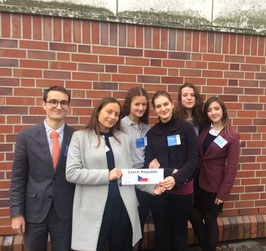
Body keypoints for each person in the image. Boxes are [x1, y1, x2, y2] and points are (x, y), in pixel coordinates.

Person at [66, 97, 162, 251]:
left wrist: (151, 187)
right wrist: (106, 175)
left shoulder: (123, 139)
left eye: (116, 114)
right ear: (98, 112)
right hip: (94, 209)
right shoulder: (80, 137)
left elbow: (128, 173)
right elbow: (71, 173)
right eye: (108, 112)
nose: (112, 117)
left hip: (122, 207)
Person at [10, 86, 75, 251]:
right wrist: (17, 213)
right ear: (44, 104)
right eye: (53, 101)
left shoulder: (76, 137)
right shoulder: (26, 136)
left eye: (63, 103)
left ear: (68, 106)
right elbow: (18, 177)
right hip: (34, 212)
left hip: (65, 211)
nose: (58, 106)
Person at [144, 91, 198, 251]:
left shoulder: (186, 128)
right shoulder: (152, 134)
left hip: (182, 190)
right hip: (160, 190)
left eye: (166, 104)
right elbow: (148, 162)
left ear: (172, 104)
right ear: (155, 109)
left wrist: (176, 177)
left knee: (179, 234)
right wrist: (169, 171)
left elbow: (193, 159)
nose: (163, 108)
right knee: (162, 234)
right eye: (158, 106)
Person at [190, 97, 240, 251]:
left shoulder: (231, 135)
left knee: (210, 220)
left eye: (216, 109)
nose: (213, 113)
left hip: (214, 186)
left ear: (223, 110)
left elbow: (232, 168)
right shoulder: (205, 130)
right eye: (210, 110)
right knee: (194, 217)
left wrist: (223, 193)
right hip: (197, 182)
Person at [120, 87, 152, 251]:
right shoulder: (120, 126)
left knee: (139, 224)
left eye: (144, 105)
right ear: (129, 105)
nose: (141, 108)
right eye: (137, 104)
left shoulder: (147, 129)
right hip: (126, 183)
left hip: (144, 182)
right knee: (125, 226)